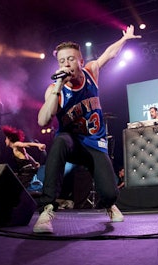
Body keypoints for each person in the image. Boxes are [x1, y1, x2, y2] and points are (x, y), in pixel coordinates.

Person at [34, 25, 141, 233]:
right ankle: (46, 209)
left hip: (94, 144)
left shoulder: (91, 71)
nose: (67, 63)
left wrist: (125, 39)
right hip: (71, 143)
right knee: (59, 141)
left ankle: (109, 205)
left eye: (71, 59)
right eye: (62, 60)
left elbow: (110, 54)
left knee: (110, 193)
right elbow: (42, 121)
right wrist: (57, 87)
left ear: (81, 62)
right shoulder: (55, 90)